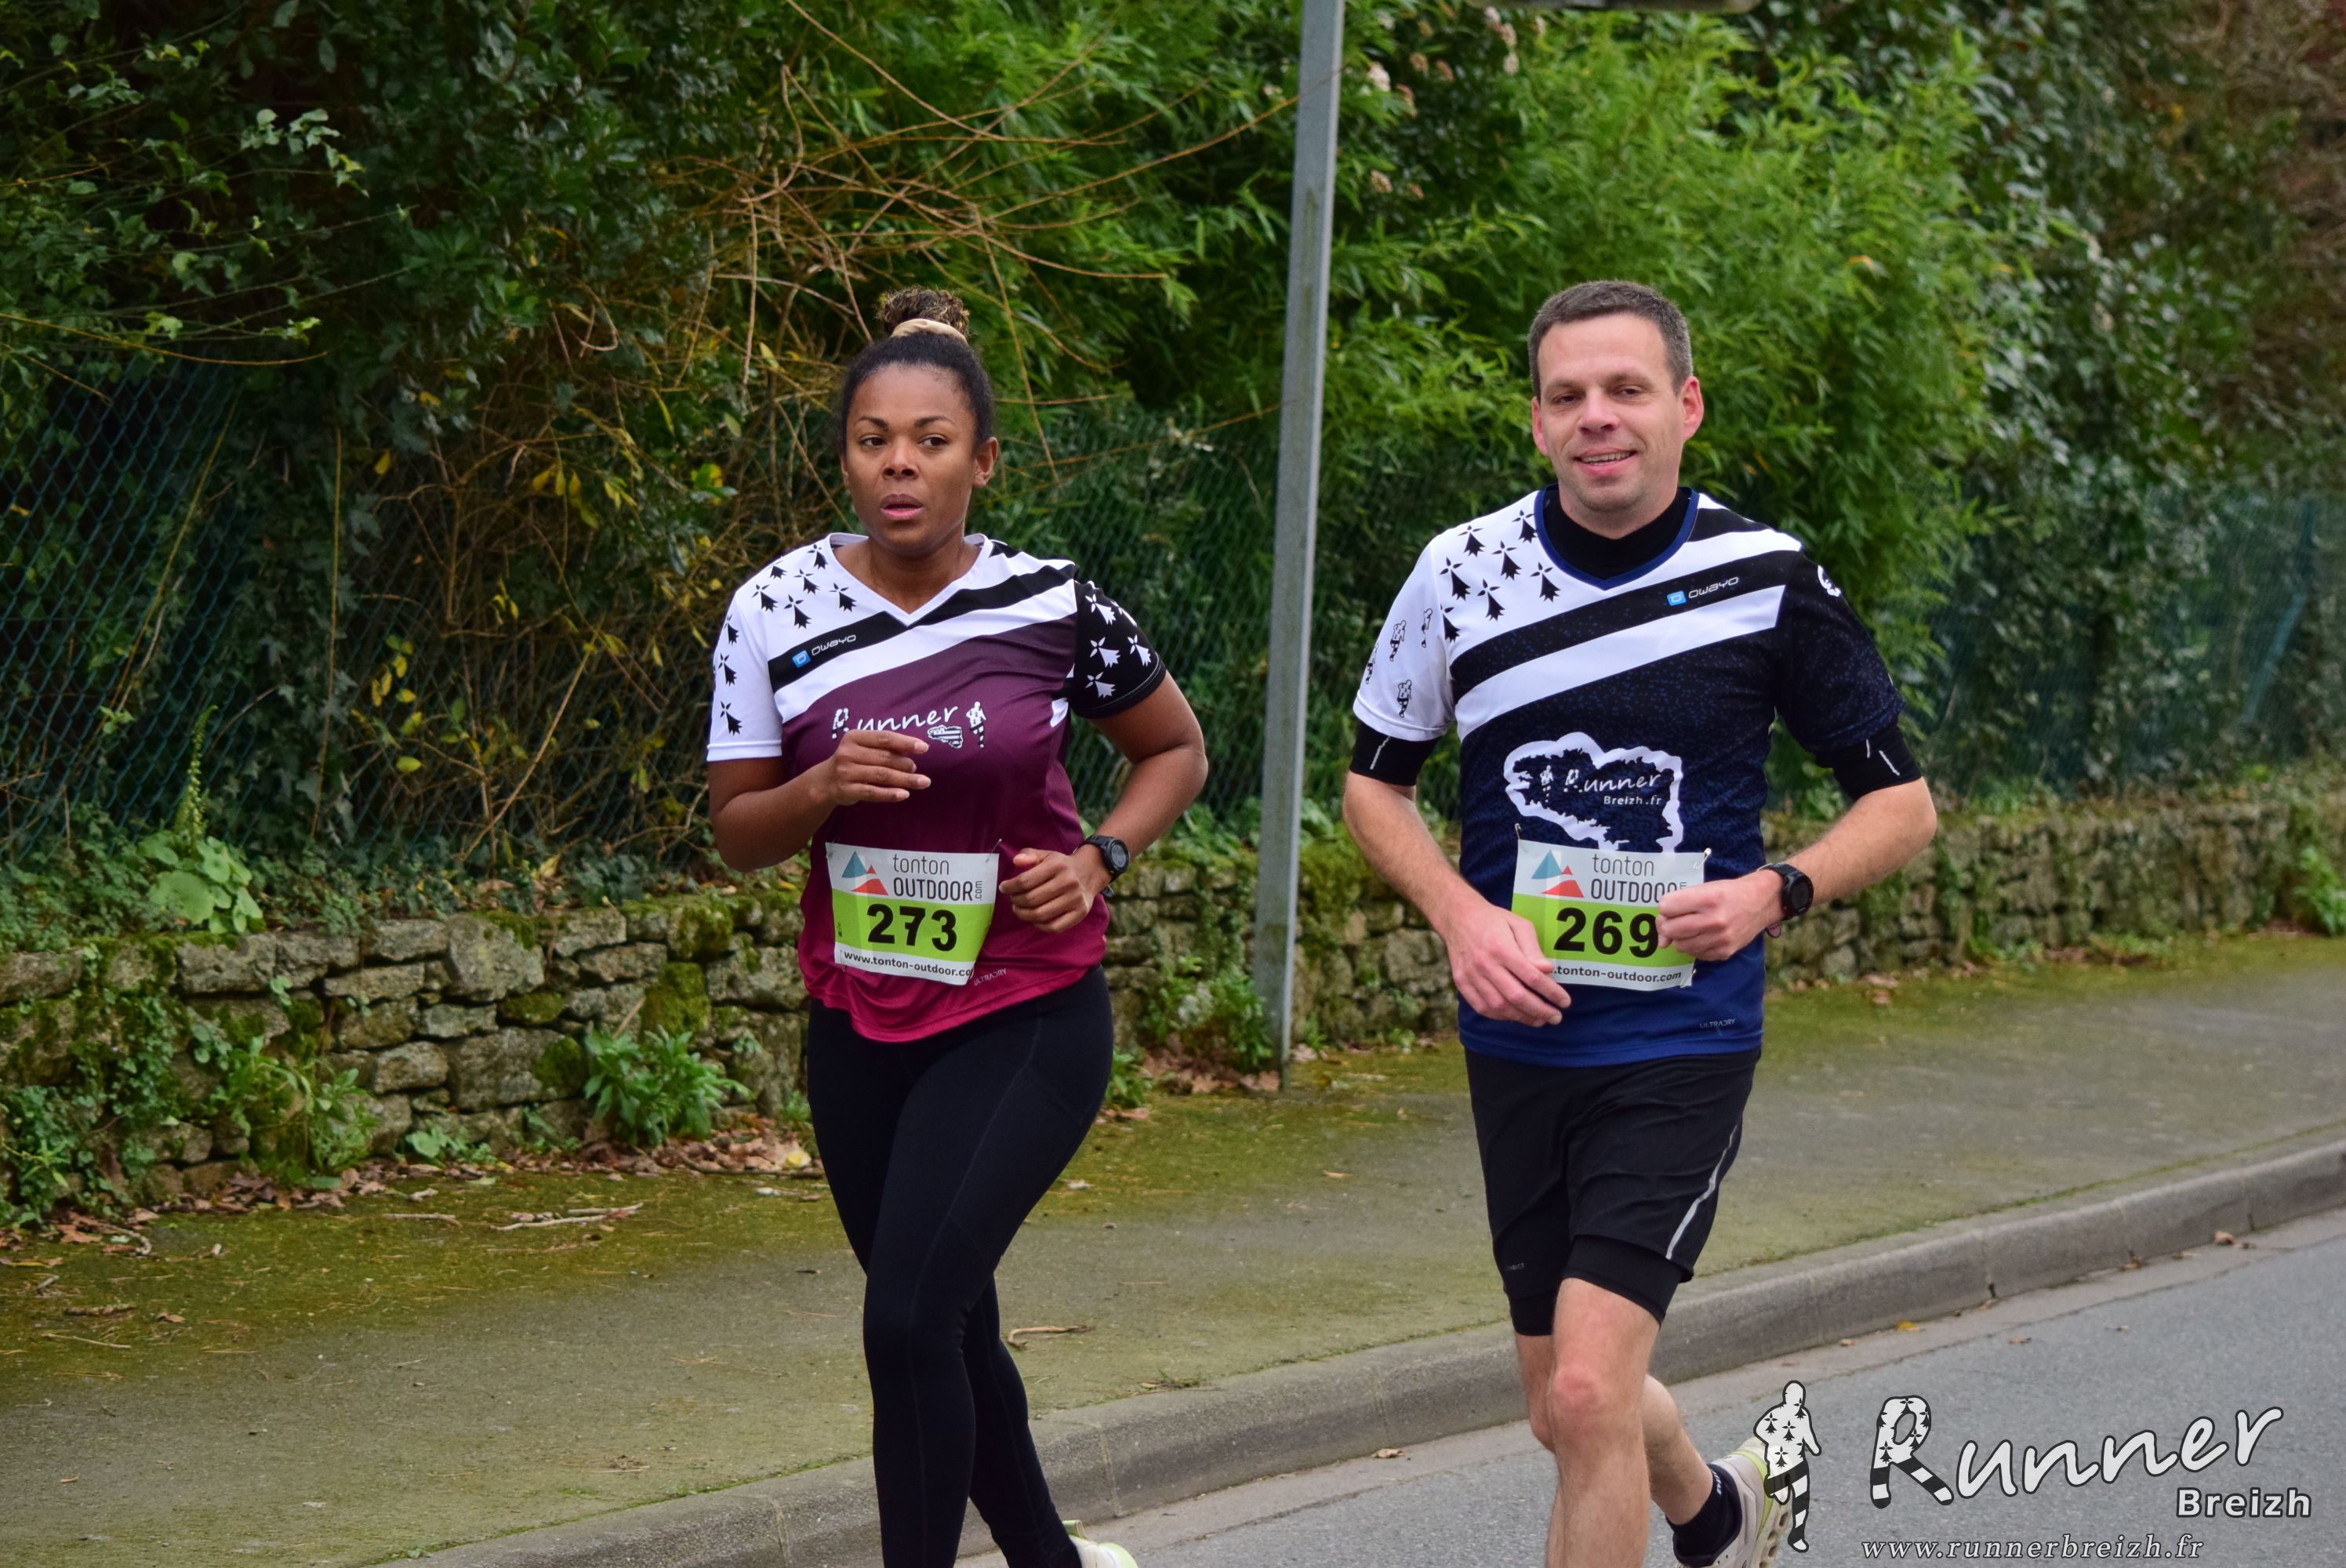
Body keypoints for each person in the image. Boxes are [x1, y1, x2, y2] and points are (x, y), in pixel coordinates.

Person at [1342, 279, 1937, 1568]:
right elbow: (1371, 786)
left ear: (1687, 405)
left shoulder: (1768, 579)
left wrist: (1776, 890)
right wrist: (1458, 915)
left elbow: (1904, 804)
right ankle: (1722, 1511)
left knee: (1586, 1390)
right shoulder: (1462, 572)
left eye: (1626, 390)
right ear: (1537, 422)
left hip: (1683, 1039)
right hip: (1519, 1035)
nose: (1596, 417)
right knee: (1563, 1410)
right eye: (1568, 396)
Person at [705, 287, 1207, 1568]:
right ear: (844, 458)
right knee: (949, 1324)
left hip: (1026, 1010)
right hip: (861, 1016)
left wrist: (1101, 857)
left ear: (983, 462)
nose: (900, 465)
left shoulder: (1052, 604)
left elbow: (1176, 750)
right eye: (874, 439)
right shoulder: (774, 608)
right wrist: (820, 789)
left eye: (930, 442)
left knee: (908, 1319)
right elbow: (739, 832)